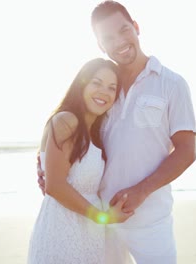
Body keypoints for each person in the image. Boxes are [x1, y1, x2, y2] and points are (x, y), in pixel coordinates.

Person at [37, 1, 196, 263]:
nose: (120, 41)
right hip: (99, 221)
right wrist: (45, 159)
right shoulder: (103, 90)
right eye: (108, 38)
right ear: (101, 45)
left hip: (150, 221)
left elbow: (187, 152)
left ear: (136, 27)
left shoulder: (172, 84)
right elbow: (71, 127)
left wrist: (141, 191)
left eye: (124, 30)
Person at [27, 58, 134, 264]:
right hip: (62, 231)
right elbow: (55, 186)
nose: (104, 92)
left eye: (112, 88)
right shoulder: (67, 120)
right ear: (82, 84)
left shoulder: (95, 133)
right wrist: (104, 217)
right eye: (96, 83)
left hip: (89, 232)